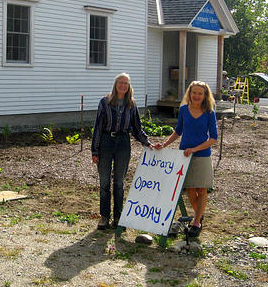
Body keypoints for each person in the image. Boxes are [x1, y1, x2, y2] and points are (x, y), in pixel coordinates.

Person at [155, 81, 218, 237]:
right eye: (194, 93)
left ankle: (196, 222)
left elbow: (213, 138)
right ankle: (199, 215)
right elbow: (178, 131)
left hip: (202, 156)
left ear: (205, 96)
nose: (196, 96)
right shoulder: (183, 110)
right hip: (184, 156)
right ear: (189, 94)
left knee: (201, 189)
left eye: (200, 93)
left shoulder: (210, 112)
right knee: (190, 189)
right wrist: (164, 144)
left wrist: (195, 149)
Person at [91, 73, 153, 230]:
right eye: (120, 82)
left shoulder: (131, 104)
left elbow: (137, 128)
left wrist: (148, 143)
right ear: (115, 84)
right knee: (104, 182)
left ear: (129, 86)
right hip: (106, 142)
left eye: (126, 83)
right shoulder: (105, 102)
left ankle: (118, 217)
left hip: (123, 144)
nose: (123, 85)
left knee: (119, 183)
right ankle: (104, 217)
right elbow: (98, 127)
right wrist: (95, 150)